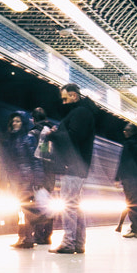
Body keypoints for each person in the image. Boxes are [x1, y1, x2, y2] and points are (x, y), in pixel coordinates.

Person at [40, 83, 97, 254]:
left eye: (65, 98)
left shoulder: (80, 112)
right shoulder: (82, 112)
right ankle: (78, 243)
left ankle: (68, 242)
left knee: (69, 206)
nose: (63, 102)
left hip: (73, 165)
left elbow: (74, 137)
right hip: (76, 166)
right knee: (75, 206)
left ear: (74, 96)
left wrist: (53, 134)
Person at [3, 109, 47, 247]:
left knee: (25, 209)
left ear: (23, 123)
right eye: (13, 121)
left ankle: (27, 238)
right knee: (22, 209)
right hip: (16, 180)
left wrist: (38, 179)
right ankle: (25, 237)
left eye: (18, 121)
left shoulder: (29, 138)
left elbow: (36, 159)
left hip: (26, 179)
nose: (15, 123)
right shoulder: (12, 139)